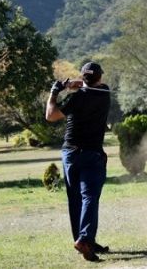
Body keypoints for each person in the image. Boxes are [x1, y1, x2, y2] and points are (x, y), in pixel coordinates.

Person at [46, 62, 111, 262]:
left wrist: (55, 92)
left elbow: (50, 115)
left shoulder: (75, 99)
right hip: (91, 154)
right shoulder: (105, 93)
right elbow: (90, 83)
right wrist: (77, 83)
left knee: (76, 199)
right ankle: (85, 240)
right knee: (89, 197)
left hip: (71, 153)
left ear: (84, 78)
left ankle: (85, 240)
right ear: (100, 77)